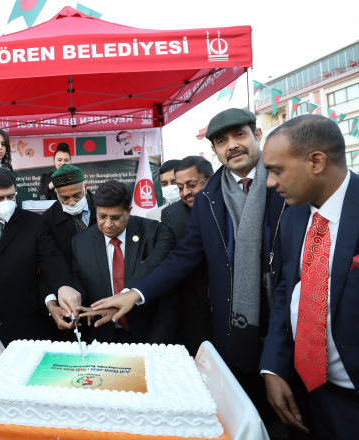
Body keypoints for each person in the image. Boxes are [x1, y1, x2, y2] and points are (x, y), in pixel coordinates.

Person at [89, 108, 289, 429]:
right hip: (234, 328)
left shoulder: (285, 182)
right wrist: (135, 293)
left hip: (286, 321)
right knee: (243, 418)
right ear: (214, 150)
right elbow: (182, 257)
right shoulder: (208, 198)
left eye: (239, 135)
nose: (232, 145)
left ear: (257, 135)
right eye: (221, 141)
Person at [260, 114, 359, 440]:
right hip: (310, 400)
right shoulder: (292, 216)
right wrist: (273, 366)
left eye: (276, 170)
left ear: (316, 162)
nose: (270, 182)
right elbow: (288, 290)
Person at [0, 168, 82, 354]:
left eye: (10, 197)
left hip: (27, 332)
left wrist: (63, 286)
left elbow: (51, 258)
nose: (6, 203)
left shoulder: (34, 223)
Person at [126, 156, 215, 355]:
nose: (185, 192)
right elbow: (163, 259)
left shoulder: (230, 204)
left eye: (191, 185)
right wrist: (130, 293)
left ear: (210, 179)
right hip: (196, 315)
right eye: (180, 187)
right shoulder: (173, 215)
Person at [71, 180, 178, 344]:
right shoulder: (81, 242)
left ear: (128, 211)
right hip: (102, 338)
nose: (108, 225)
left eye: (115, 218)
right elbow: (77, 282)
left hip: (148, 337)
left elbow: (167, 294)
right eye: (102, 216)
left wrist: (157, 344)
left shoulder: (154, 233)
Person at [40, 164, 97, 335]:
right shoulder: (47, 220)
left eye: (77, 195)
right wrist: (53, 302)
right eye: (64, 198)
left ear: (85, 187)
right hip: (70, 304)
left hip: (104, 299)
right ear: (56, 194)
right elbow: (48, 262)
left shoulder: (102, 208)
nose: (72, 202)